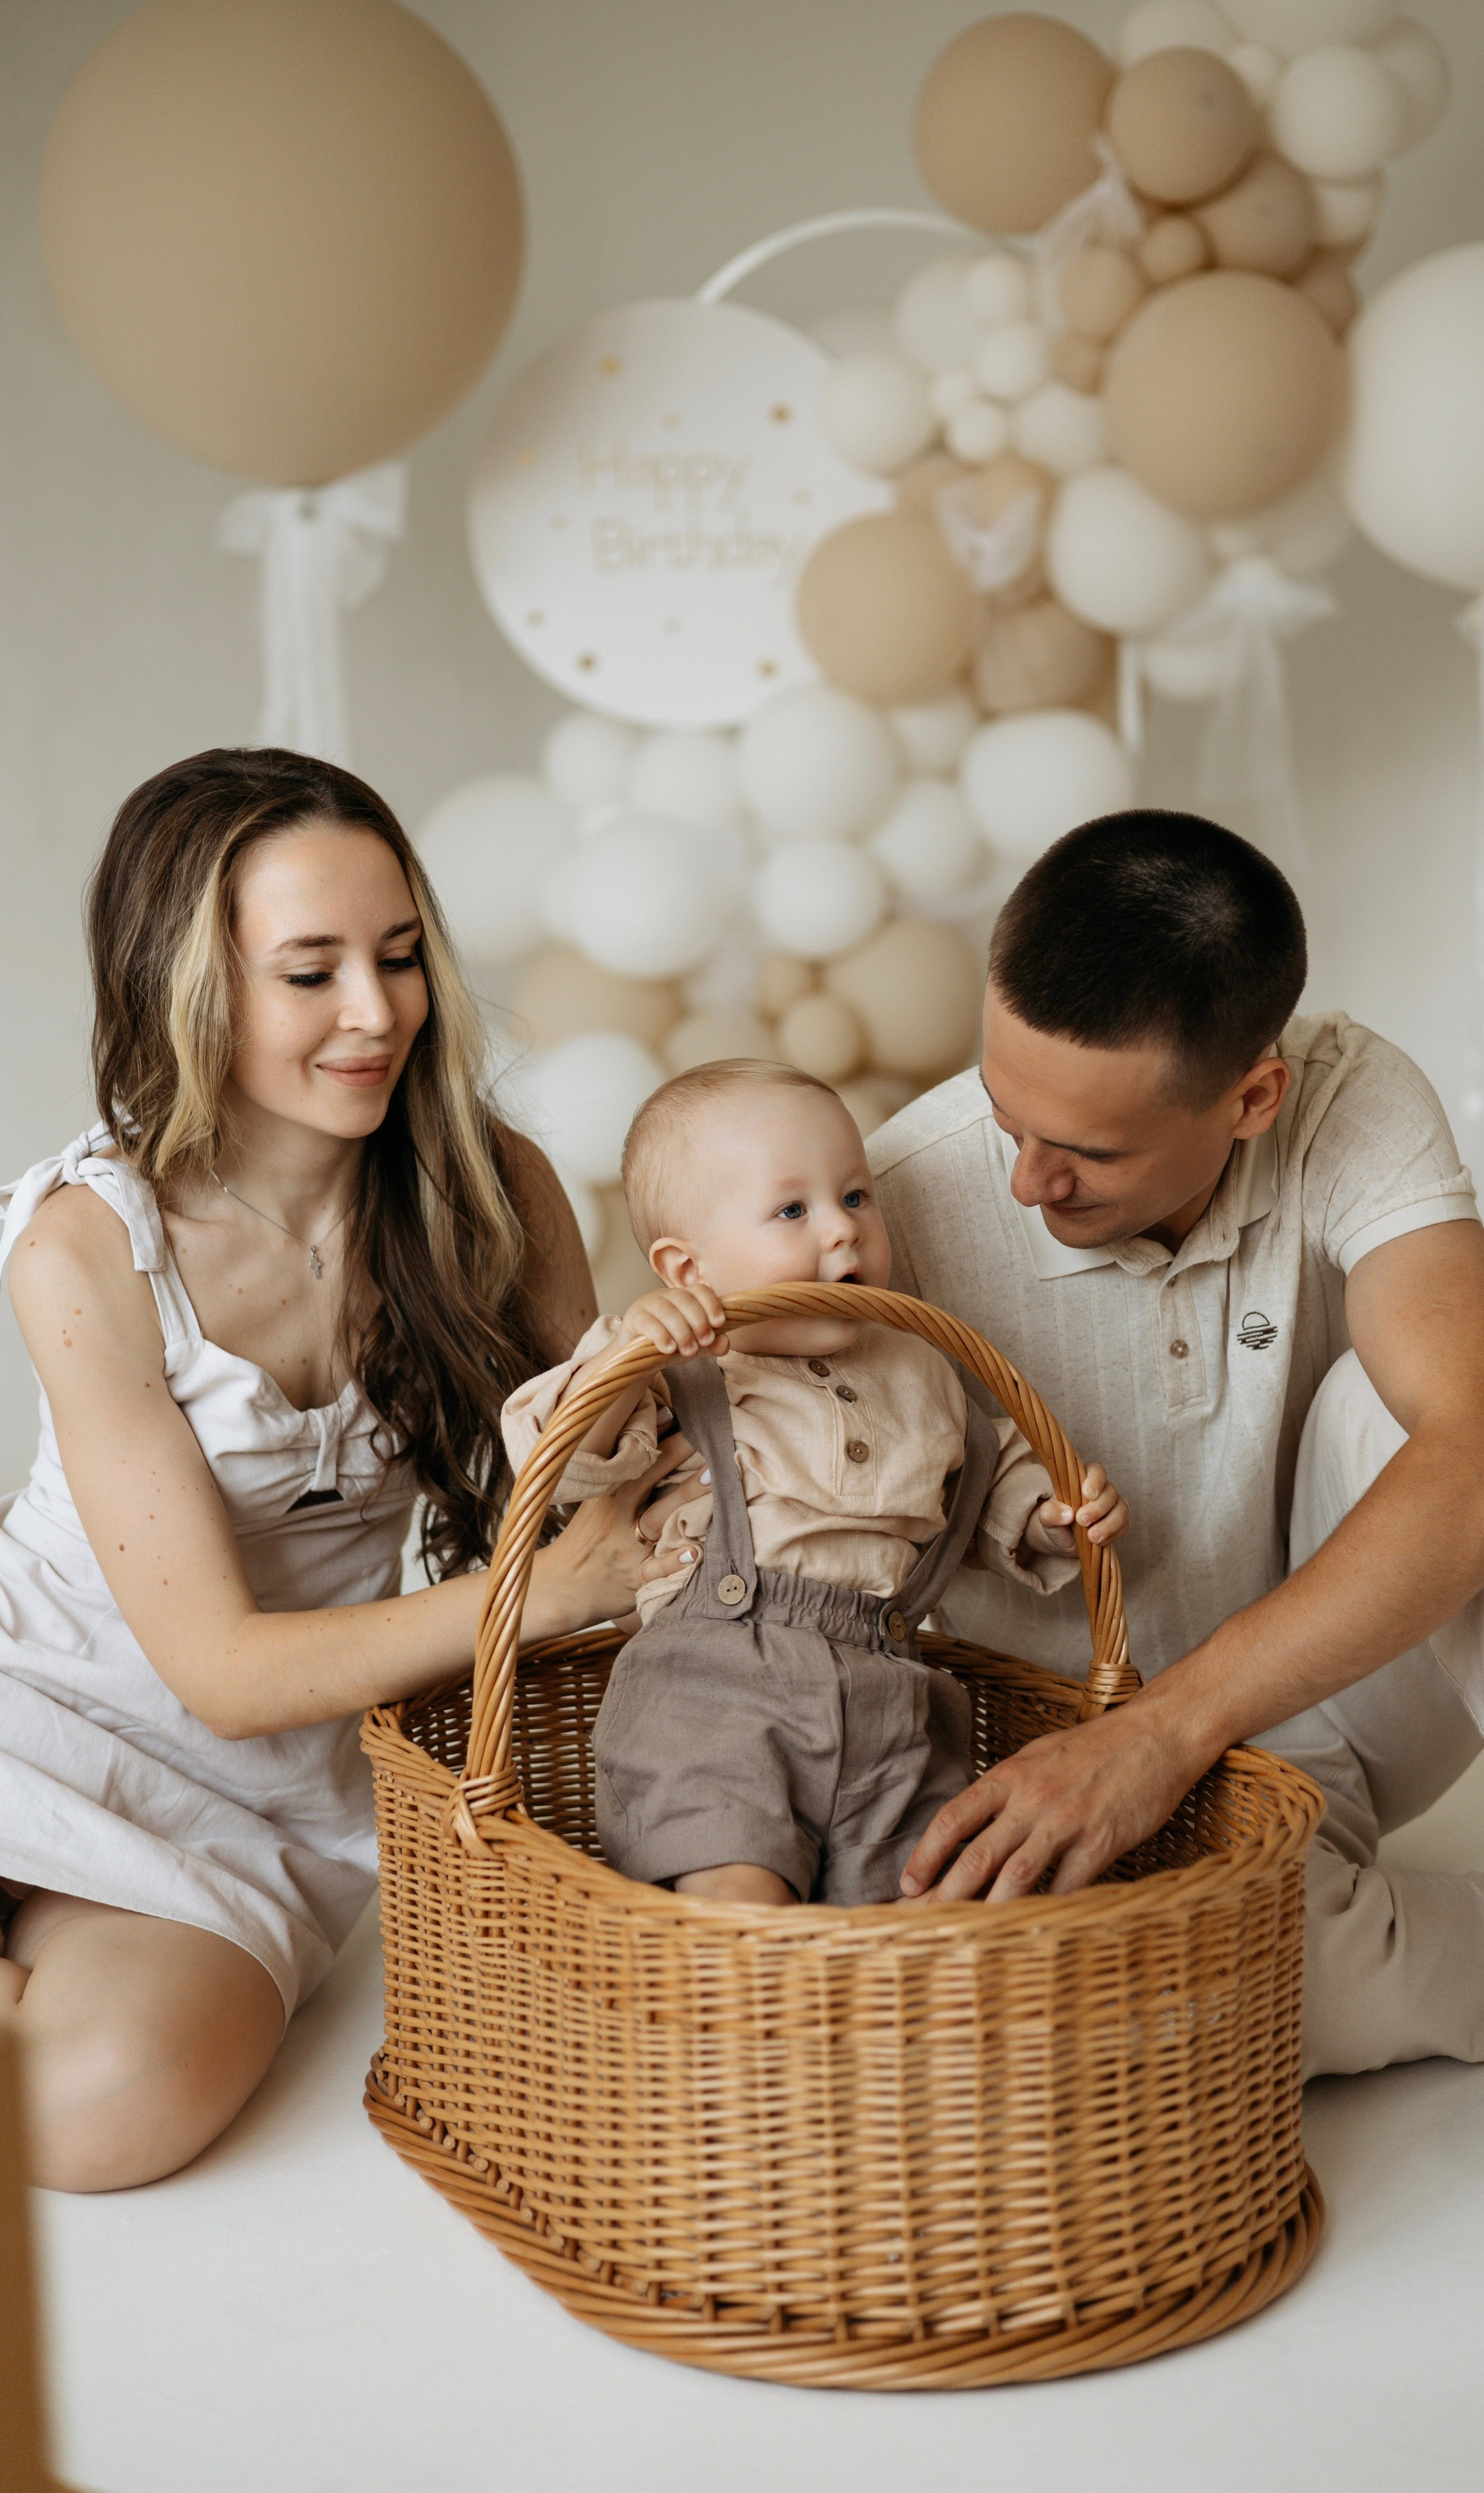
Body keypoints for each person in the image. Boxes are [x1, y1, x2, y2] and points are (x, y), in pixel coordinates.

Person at [877, 810, 1484, 2077]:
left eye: (1089, 1151)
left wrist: (1165, 1734)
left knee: (1440, 1425)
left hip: (1335, 1690)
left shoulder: (1350, 1095)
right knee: (1204, 2016)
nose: (1029, 1183)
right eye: (1005, 1113)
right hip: (1065, 1761)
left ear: (1254, 1096)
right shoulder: (896, 1197)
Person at [0, 748, 696, 2193]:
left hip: (265, 1794)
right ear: (187, 989)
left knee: (97, 2116)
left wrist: (633, 1420)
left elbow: (595, 1468)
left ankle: (46, 1941)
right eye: (308, 974)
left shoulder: (494, 1191)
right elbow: (225, 1671)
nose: (376, 1015)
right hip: (41, 1706)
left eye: (396, 958)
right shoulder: (89, 1243)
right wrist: (546, 1591)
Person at [502, 1060, 1126, 1907]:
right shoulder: (677, 1362)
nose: (842, 1231)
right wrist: (627, 1356)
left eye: (857, 1197)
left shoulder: (919, 1364)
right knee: (736, 1896)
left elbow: (984, 1482)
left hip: (891, 1700)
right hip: (713, 1697)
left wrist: (1055, 1516)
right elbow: (562, 1454)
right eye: (793, 1210)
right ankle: (727, 2031)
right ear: (688, 1271)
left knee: (937, 1907)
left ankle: (890, 2029)